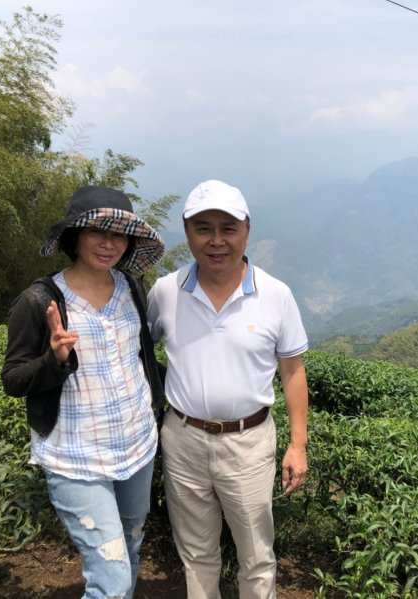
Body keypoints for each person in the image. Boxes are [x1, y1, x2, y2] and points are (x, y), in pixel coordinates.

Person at [1, 186, 166, 599]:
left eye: (119, 235)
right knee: (109, 578)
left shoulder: (131, 287)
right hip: (76, 457)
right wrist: (54, 359)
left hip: (137, 445)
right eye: (97, 232)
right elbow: (14, 379)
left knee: (129, 549)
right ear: (75, 236)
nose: (109, 243)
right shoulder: (40, 300)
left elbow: (141, 357)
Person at [147, 179, 309, 599]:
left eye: (227, 228)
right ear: (187, 233)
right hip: (182, 438)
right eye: (204, 228)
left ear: (246, 231)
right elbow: (140, 356)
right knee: (196, 552)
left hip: (249, 442)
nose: (216, 240)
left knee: (256, 555)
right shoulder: (165, 292)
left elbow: (292, 371)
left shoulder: (276, 294)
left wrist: (298, 445)